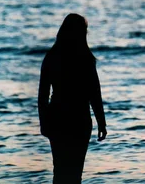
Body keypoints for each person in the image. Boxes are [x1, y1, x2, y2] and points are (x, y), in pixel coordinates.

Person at [38, 13, 107, 184]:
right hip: (79, 120)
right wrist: (101, 122)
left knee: (60, 171)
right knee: (75, 173)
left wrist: (44, 122)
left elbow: (42, 95)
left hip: (57, 119)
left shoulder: (52, 57)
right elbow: (94, 94)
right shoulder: (85, 59)